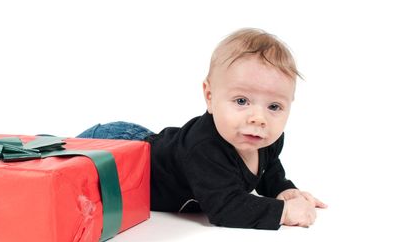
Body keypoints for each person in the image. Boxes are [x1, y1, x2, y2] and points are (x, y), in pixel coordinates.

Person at [76, 28, 327, 230]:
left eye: (274, 106)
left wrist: (284, 190)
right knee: (56, 163)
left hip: (147, 148)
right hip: (122, 149)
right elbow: (225, 208)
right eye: (241, 101)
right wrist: (283, 212)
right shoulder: (204, 147)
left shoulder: (268, 138)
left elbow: (269, 170)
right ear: (209, 96)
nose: (259, 118)